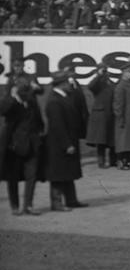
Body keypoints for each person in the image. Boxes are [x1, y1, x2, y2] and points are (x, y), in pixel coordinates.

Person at [0, 71, 44, 215]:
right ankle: (15, 206)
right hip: (14, 146)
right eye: (24, 89)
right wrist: (12, 97)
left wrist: (39, 133)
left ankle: (28, 206)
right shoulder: (10, 103)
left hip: (32, 144)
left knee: (32, 176)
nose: (27, 92)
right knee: (13, 178)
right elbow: (3, 110)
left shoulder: (31, 101)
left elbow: (38, 119)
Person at [44, 69, 86, 211]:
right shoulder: (54, 101)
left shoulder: (64, 97)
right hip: (59, 144)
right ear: (61, 84)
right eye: (67, 81)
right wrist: (66, 144)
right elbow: (57, 126)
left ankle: (71, 200)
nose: (70, 84)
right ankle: (56, 203)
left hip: (68, 140)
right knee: (58, 174)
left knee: (68, 172)